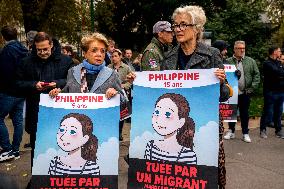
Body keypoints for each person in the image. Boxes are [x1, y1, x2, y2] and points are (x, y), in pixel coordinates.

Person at [160, 5, 230, 189]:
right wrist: (140, 82)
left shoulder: (212, 55)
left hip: (206, 125)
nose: (178, 29)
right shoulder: (168, 58)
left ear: (197, 28)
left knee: (206, 173)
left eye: (184, 24)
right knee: (178, 174)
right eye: (176, 25)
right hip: (175, 127)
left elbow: (223, 96)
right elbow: (159, 93)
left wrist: (221, 82)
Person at [16, 32, 74, 162]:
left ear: (51, 45)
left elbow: (73, 81)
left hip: (60, 113)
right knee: (37, 150)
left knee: (62, 149)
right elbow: (17, 83)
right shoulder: (26, 62)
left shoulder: (66, 60)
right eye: (39, 50)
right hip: (36, 112)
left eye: (45, 49)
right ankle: (36, 179)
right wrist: (33, 85)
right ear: (34, 47)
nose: (42, 52)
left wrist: (58, 84)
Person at [49, 32, 122, 100]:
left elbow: (124, 102)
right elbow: (67, 95)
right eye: (94, 50)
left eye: (102, 51)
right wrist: (58, 94)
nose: (99, 54)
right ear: (85, 53)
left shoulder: (113, 74)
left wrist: (116, 94)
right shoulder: (73, 72)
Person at [0, 26, 28, 161]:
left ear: (3, 37)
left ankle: (7, 149)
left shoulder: (6, 51)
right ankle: (15, 150)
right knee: (18, 121)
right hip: (21, 91)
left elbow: (4, 72)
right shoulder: (24, 50)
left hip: (8, 91)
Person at [145, 93, 197, 164]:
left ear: (181, 122)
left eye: (168, 114)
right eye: (157, 112)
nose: (159, 120)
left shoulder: (189, 155)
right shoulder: (150, 146)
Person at [225, 41, 260, 143]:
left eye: (243, 48)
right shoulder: (228, 61)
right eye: (239, 48)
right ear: (234, 49)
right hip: (232, 92)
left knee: (245, 113)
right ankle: (231, 131)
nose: (242, 50)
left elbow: (256, 75)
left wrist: (252, 88)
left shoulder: (250, 61)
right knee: (232, 112)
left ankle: (245, 133)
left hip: (245, 92)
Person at [259, 46, 284, 139]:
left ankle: (278, 130)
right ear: (274, 52)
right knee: (267, 111)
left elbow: (280, 73)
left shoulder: (279, 62)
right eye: (279, 51)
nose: (280, 52)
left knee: (279, 112)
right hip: (270, 92)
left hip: (281, 92)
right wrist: (280, 74)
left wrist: (280, 74)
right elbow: (277, 72)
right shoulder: (267, 63)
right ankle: (263, 130)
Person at [108, 49, 132, 141]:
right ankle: (112, 132)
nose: (113, 58)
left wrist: (123, 86)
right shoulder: (108, 67)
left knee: (121, 114)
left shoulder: (126, 68)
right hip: (111, 93)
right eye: (112, 56)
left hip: (122, 93)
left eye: (115, 56)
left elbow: (130, 81)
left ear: (120, 57)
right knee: (112, 114)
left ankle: (120, 133)